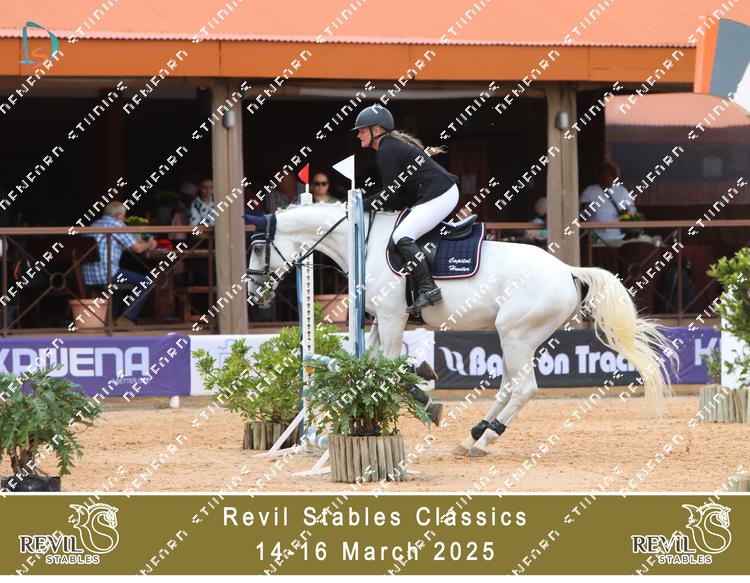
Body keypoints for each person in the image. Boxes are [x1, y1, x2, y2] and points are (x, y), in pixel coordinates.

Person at [353, 104, 459, 315]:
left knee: (402, 235)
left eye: (362, 131)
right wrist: (366, 203)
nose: (358, 135)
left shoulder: (387, 149)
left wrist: (361, 204)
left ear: (376, 130)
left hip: (440, 194)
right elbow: (396, 195)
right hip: (438, 193)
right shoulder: (389, 147)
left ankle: (428, 289)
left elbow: (390, 193)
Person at [82, 201, 157, 326]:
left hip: (88, 277)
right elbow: (137, 248)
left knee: (117, 283)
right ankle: (126, 317)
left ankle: (113, 319)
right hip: (107, 275)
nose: (124, 218)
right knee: (147, 282)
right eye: (124, 216)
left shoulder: (94, 224)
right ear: (119, 215)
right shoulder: (117, 224)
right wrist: (150, 244)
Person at [579, 162, 637, 242]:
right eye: (604, 174)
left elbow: (632, 209)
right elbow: (582, 213)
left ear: (614, 176)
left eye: (610, 174)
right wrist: (587, 209)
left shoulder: (622, 191)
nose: (607, 177)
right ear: (599, 176)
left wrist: (626, 213)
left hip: (617, 235)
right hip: (596, 236)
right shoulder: (590, 191)